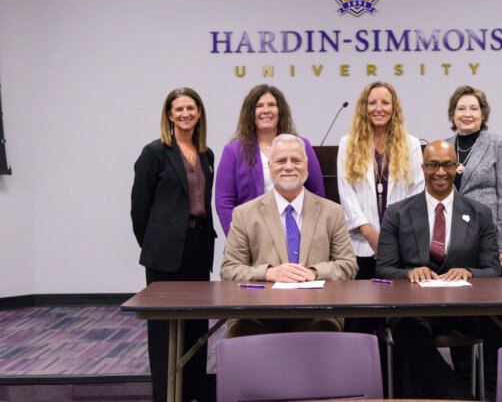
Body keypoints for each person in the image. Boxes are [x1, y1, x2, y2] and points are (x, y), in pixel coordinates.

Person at [376, 140, 501, 400]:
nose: (441, 172)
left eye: (447, 165)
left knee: (501, 325)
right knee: (407, 334)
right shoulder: (397, 213)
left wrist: (468, 271)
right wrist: (408, 273)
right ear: (423, 168)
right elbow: (384, 269)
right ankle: (461, 396)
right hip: (415, 309)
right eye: (433, 165)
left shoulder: (480, 214)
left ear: (458, 168)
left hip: (464, 308)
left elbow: (492, 270)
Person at [220, 133, 358, 337]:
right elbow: (229, 270)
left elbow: (348, 265)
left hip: (316, 315)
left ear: (307, 165)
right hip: (257, 315)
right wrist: (268, 274)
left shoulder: (332, 212)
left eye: (296, 160)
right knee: (241, 337)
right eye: (281, 160)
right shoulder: (244, 214)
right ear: (269, 165)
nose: (288, 167)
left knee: (324, 336)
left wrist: (314, 272)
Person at [130, 87, 216, 402]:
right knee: (166, 329)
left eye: (191, 108)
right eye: (178, 109)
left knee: (196, 325)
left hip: (199, 246)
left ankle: (193, 391)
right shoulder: (154, 152)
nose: (185, 114)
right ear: (169, 115)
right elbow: (139, 207)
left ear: (199, 113)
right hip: (165, 253)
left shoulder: (207, 154)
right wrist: (155, 242)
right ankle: (166, 395)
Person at [337, 81, 424, 280]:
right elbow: (346, 192)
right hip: (361, 245)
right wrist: (369, 234)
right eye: (372, 103)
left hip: (401, 243)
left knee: (399, 305)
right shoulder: (347, 143)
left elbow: (417, 193)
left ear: (394, 108)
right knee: (362, 307)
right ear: (363, 107)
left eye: (385, 103)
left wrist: (391, 237)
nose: (378, 109)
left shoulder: (411, 144)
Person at [216, 84, 324, 236]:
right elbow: (224, 203)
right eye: (259, 106)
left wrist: (312, 234)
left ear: (280, 111)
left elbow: (317, 194)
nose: (266, 110)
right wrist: (237, 240)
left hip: (297, 232)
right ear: (250, 113)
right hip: (252, 234)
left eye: (272, 105)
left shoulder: (301, 145)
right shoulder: (233, 151)